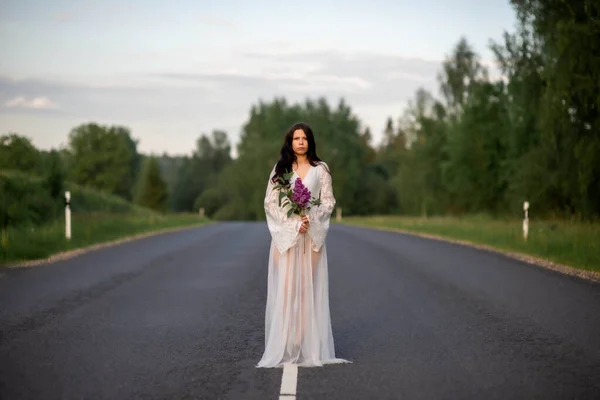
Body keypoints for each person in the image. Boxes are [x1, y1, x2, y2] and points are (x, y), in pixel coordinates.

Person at [256, 122, 350, 368]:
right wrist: (294, 221)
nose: (300, 142)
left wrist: (312, 216)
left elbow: (329, 201)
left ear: (310, 142)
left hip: (311, 237)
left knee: (306, 287)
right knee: (287, 289)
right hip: (287, 236)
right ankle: (286, 341)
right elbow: (270, 202)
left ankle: (303, 340)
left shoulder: (321, 169)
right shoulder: (281, 169)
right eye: (296, 138)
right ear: (290, 142)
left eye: (304, 138)